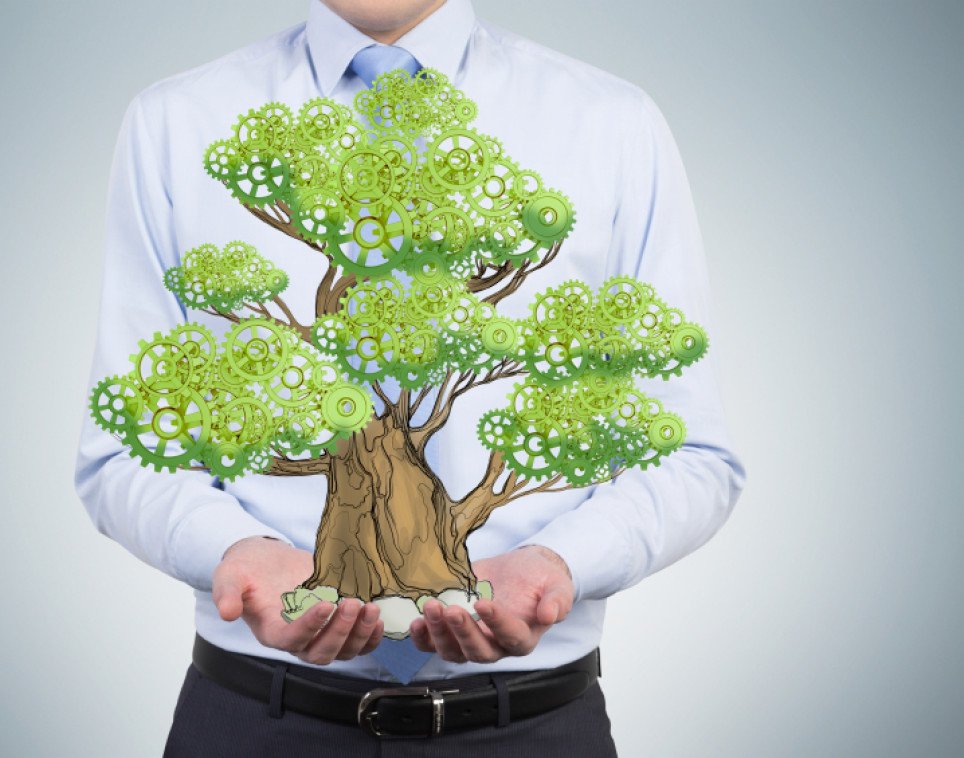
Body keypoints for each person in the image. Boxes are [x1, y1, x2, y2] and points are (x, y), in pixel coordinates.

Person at [74, 0, 746, 754]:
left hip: (530, 727)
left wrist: (564, 564)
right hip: (255, 721)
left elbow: (692, 455)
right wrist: (234, 552)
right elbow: (123, 448)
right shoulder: (175, 122)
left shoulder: (610, 122)